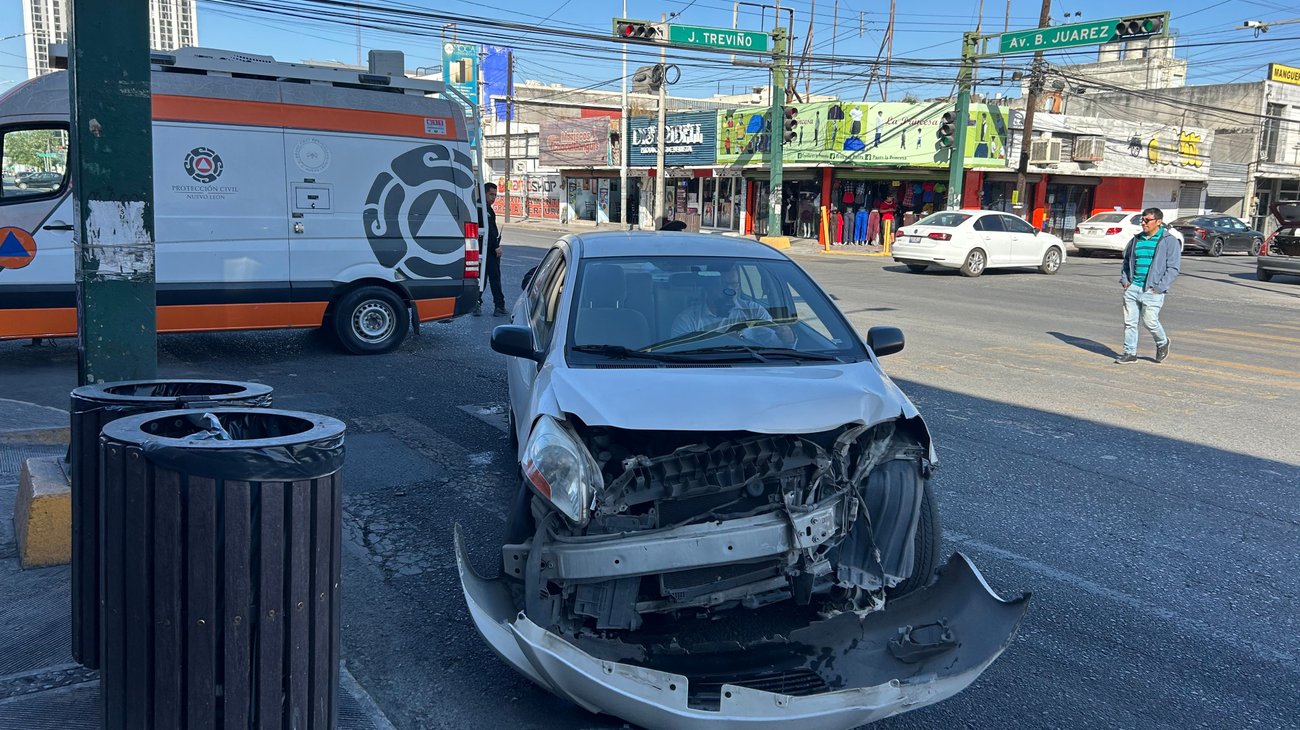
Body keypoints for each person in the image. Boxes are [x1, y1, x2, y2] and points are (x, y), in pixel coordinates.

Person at [1115, 207, 1180, 364]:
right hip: (1133, 287)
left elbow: (1173, 268)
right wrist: (1125, 281)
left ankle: (1162, 342)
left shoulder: (1168, 241)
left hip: (1153, 289)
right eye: (1142, 220)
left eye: (1147, 220)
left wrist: (1159, 288)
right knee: (1130, 323)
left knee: (1150, 321)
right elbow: (1126, 261)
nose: (1143, 223)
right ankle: (1130, 353)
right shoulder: (1136, 240)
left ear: (1158, 222)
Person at [670, 266, 794, 348]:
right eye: (724, 285)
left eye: (734, 284)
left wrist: (787, 340)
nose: (731, 291)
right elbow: (677, 354)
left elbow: (775, 346)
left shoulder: (754, 312)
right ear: (709, 287)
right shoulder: (688, 320)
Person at [475, 182, 506, 317]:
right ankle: (499, 306)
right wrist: (496, 247)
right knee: (494, 278)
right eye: (491, 194)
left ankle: (476, 304)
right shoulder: (483, 208)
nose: (493, 198)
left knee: (481, 277)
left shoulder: (479, 206)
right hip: (488, 249)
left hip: (480, 248)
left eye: (495, 195)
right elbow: (490, 231)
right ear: (484, 193)